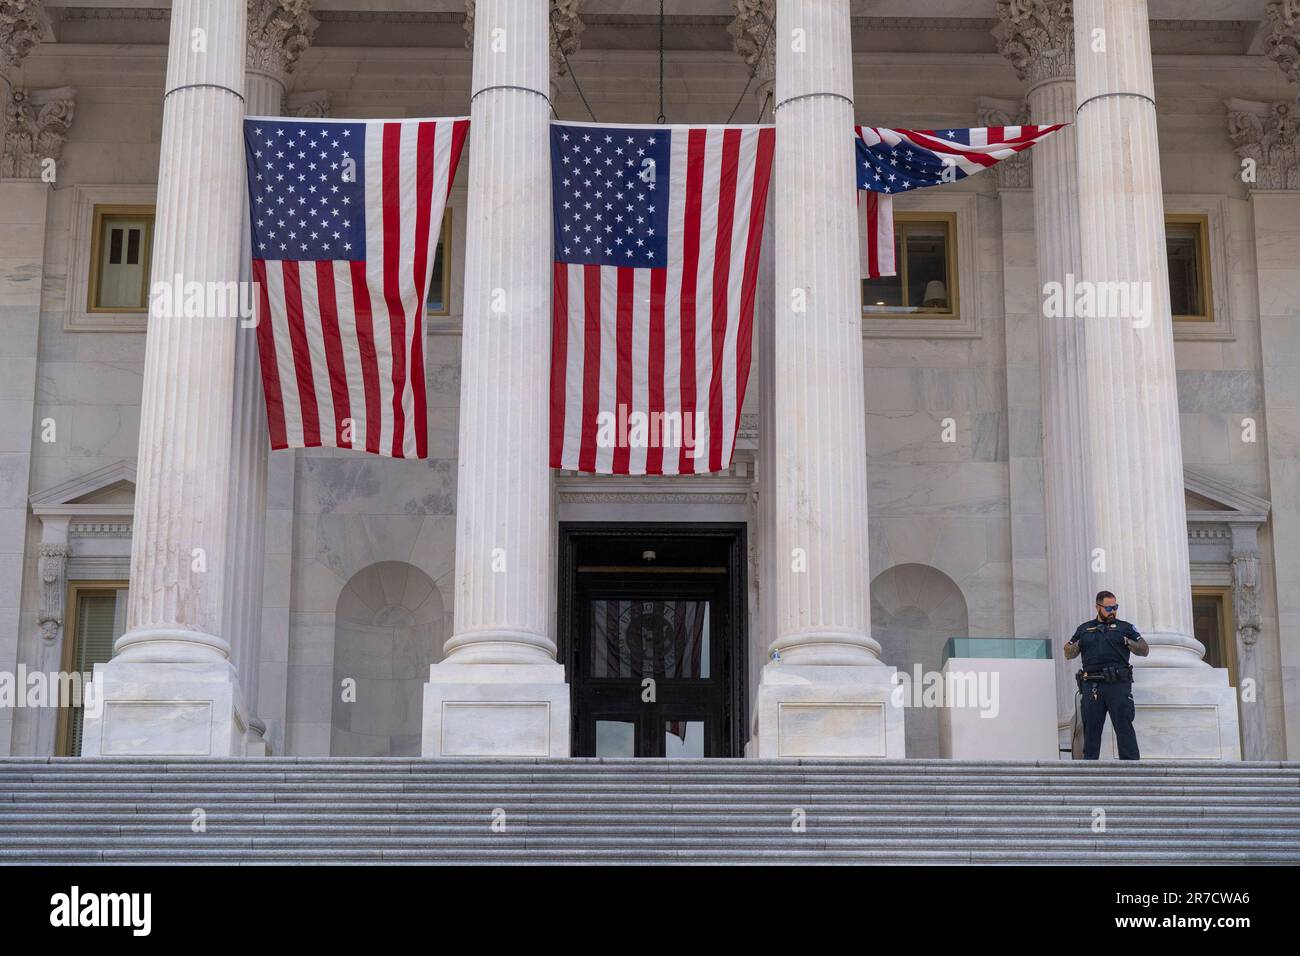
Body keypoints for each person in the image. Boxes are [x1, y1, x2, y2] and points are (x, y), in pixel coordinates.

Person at [1064, 590, 1148, 760]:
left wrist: (1127, 641)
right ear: (1098, 607)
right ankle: (1089, 770)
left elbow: (1144, 650)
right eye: (1108, 608)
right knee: (1091, 730)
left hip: (1118, 685)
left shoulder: (1125, 627)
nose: (1113, 611)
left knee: (1124, 726)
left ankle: (1131, 770)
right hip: (1092, 685)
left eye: (1115, 607)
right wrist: (1078, 644)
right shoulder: (1085, 629)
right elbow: (1068, 652)